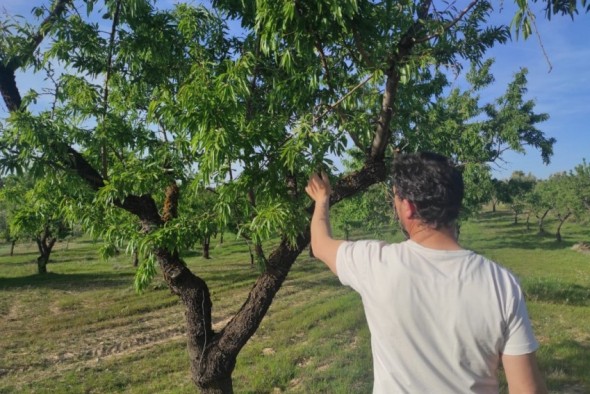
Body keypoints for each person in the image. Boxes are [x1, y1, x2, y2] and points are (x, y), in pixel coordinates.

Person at [305, 152, 547, 394]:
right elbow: (528, 390)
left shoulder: (374, 263)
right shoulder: (502, 283)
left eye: (396, 198)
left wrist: (322, 200)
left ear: (408, 207)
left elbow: (320, 244)